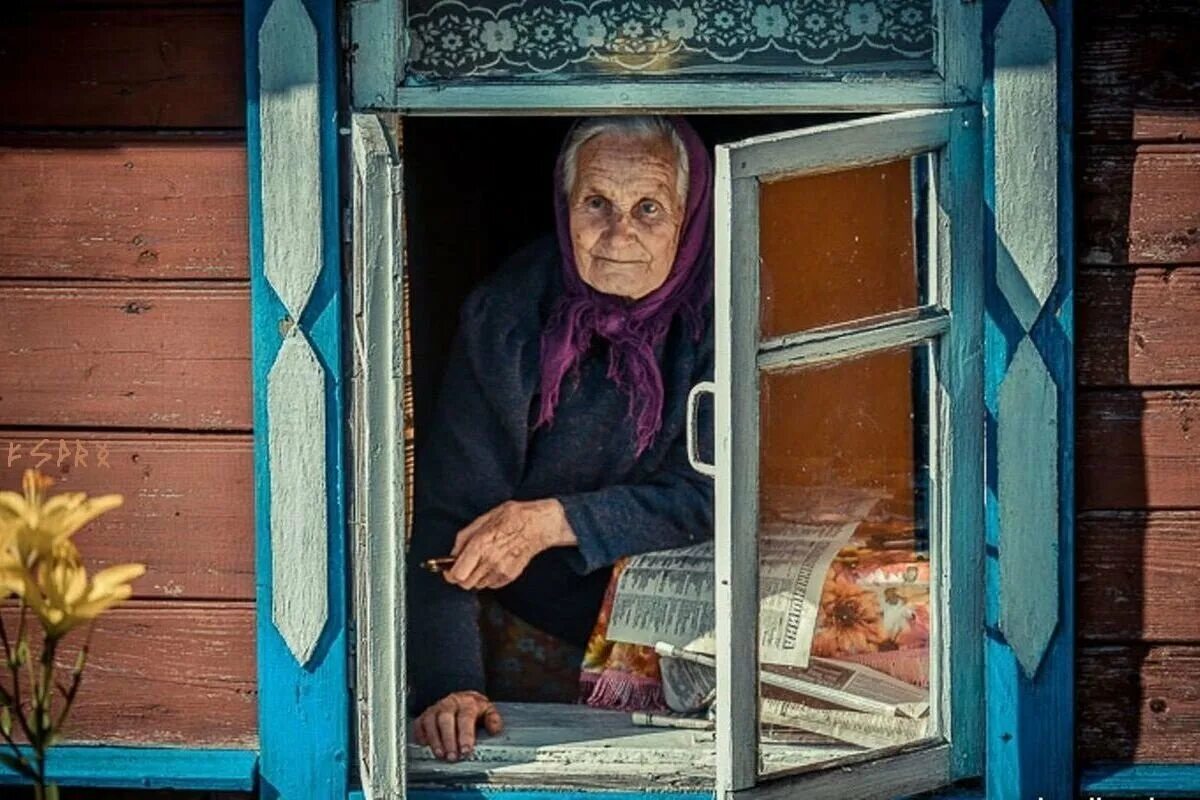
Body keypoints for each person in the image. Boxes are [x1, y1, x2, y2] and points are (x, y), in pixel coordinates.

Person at [408, 115, 715, 762]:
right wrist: (449, 685)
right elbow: (450, 523)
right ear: (563, 205)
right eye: (596, 202)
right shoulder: (508, 318)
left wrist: (553, 521)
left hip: (703, 612)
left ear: (688, 217)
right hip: (548, 620)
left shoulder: (727, 308)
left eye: (649, 208)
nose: (619, 233)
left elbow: (718, 493)